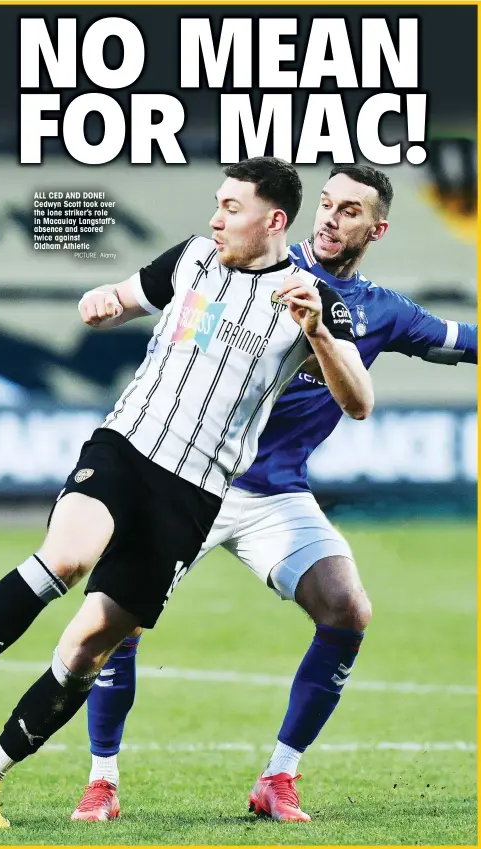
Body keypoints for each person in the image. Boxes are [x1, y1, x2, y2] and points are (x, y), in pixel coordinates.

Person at [68, 165, 478, 824]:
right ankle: (101, 779)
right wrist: (111, 300)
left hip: (274, 494)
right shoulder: (251, 271)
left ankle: (277, 777)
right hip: (189, 480)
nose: (330, 218)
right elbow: (153, 296)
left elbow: (463, 343)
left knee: (347, 609)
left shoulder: (378, 311)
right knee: (117, 624)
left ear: (377, 228)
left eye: (349, 210)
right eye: (324, 203)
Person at [0, 157, 373, 828]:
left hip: (190, 495)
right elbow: (122, 294)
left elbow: (358, 400)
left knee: (88, 646)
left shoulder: (313, 299)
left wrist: (318, 334)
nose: (216, 217)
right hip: (125, 446)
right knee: (67, 557)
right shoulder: (191, 258)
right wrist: (100, 302)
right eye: (216, 204)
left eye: (231, 208)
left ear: (272, 220)